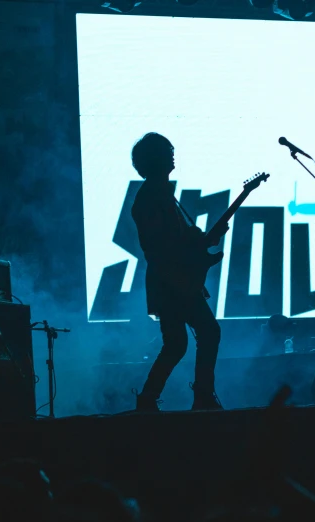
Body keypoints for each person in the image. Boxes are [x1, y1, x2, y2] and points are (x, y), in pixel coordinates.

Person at [130, 132, 228, 412]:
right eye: (168, 151)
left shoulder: (160, 195)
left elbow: (177, 241)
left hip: (171, 281)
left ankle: (149, 399)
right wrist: (198, 245)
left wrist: (202, 241)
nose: (173, 155)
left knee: (176, 344)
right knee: (205, 333)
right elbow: (162, 245)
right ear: (157, 159)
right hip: (172, 282)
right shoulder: (151, 197)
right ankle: (202, 397)